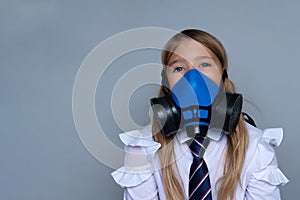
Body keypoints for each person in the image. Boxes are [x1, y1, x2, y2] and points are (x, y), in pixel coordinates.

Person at [112, 29, 289, 200]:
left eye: (204, 64)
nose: (193, 77)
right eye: (179, 68)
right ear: (166, 80)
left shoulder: (255, 146)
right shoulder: (143, 147)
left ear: (223, 75)